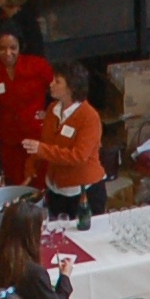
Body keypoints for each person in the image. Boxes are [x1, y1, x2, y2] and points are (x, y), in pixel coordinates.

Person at [24, 63, 108, 221]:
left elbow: (79, 156)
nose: (51, 84)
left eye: (57, 81)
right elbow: (48, 142)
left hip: (83, 192)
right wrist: (33, 162)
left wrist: (41, 150)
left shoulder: (89, 117)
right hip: (55, 190)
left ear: (72, 87)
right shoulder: (52, 109)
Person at [0, 25, 51, 182]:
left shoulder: (38, 66)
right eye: (2, 48)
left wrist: (51, 115)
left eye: (13, 48)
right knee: (14, 184)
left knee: (39, 183)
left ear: (20, 46)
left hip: (36, 137)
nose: (8, 53)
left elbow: (61, 92)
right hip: (9, 142)